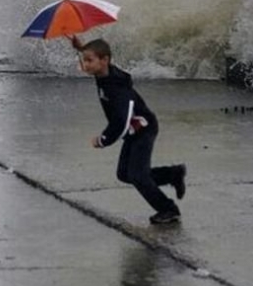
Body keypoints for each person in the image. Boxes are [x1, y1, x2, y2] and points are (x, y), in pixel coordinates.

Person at [73, 36, 186, 225]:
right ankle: (172, 174)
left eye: (89, 60)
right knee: (124, 174)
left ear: (105, 60)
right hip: (133, 132)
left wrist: (103, 140)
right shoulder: (104, 73)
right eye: (84, 60)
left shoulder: (116, 88)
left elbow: (121, 121)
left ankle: (168, 209)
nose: (85, 65)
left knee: (138, 176)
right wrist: (80, 48)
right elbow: (96, 58)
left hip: (143, 129)